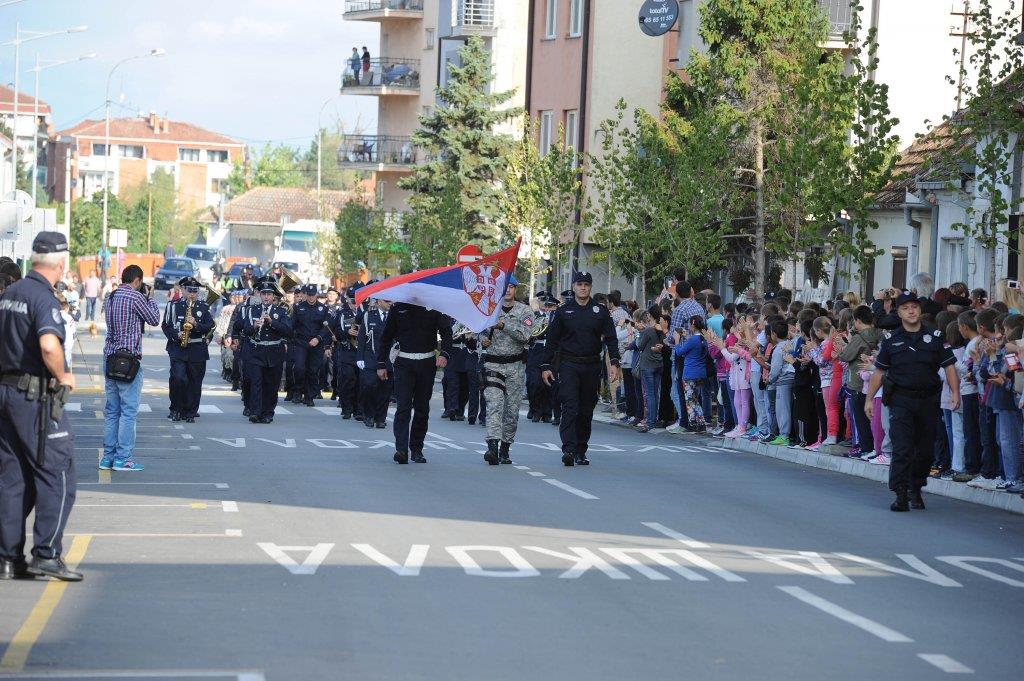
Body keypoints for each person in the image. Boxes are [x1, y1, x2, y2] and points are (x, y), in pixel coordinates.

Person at [0, 232, 81, 582]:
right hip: (34, 397)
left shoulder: (9, 294)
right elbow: (49, 345)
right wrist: (63, 375)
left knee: (12, 478)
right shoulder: (42, 298)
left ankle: (8, 558)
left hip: (5, 393)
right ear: (61, 262)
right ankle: (46, 554)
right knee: (58, 473)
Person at [866, 290, 959, 512]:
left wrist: (955, 392)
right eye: (906, 308)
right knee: (902, 447)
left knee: (925, 450)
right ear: (898, 312)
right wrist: (869, 398)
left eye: (914, 307)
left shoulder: (934, 337)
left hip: (928, 400)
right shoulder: (891, 340)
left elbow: (949, 367)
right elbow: (879, 372)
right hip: (900, 400)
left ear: (920, 311)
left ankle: (915, 487)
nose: (911, 311)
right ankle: (900, 493)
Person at [541, 271, 621, 466]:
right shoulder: (563, 311)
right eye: (579, 284)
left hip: (591, 365)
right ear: (574, 287)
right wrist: (546, 366)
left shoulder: (600, 312)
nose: (583, 287)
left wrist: (614, 363)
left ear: (590, 287)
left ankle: (580, 449)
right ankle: (568, 449)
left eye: (586, 284)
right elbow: (551, 341)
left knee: (586, 409)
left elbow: (611, 338)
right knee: (570, 406)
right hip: (569, 364)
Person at [101, 265, 161, 472]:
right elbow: (154, 319)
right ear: (137, 280)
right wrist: (150, 297)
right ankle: (123, 458)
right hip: (128, 360)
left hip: (109, 356)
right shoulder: (136, 297)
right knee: (128, 411)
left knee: (112, 411)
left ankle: (107, 457)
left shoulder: (110, 296)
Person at [377, 301, 452, 464]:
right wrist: (381, 364)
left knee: (422, 408)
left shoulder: (434, 307)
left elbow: (447, 332)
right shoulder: (398, 308)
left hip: (426, 362)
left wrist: (444, 354)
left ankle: (416, 449)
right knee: (403, 406)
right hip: (403, 362)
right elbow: (386, 336)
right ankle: (401, 449)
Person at [480, 275, 534, 465]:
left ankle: (505, 448)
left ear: (516, 290)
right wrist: (483, 339)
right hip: (493, 364)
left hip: (515, 366)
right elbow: (481, 330)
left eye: (511, 287)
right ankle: (492, 447)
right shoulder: (490, 310)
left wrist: (504, 325)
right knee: (494, 405)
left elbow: (525, 335)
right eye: (505, 287)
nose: (508, 290)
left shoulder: (525, 311)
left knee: (511, 411)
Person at [161, 276, 214, 423]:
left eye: (195, 291)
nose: (193, 294)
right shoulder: (173, 306)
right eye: (189, 290)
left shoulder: (203, 307)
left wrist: (196, 324)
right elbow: (166, 325)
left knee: (194, 382)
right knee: (178, 379)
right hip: (178, 348)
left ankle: (190, 412)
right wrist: (175, 335)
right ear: (182, 290)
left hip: (197, 348)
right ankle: (176, 409)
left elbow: (209, 325)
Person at [242, 281, 293, 423]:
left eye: (269, 294)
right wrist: (254, 326)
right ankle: (255, 412)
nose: (266, 297)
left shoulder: (281, 311)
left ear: (273, 296)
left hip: (274, 352)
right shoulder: (252, 310)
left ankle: (268, 412)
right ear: (259, 295)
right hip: (256, 351)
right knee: (256, 382)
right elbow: (245, 330)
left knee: (271, 384)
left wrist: (271, 322)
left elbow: (288, 331)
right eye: (263, 294)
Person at [290, 284, 332, 407]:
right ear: (305, 294)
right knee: (299, 368)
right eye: (308, 294)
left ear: (316, 295)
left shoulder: (323, 308)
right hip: (301, 342)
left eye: (313, 295)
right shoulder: (298, 307)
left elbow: (326, 327)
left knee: (313, 370)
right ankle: (298, 390)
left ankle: (309, 396)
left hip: (316, 343)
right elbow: (292, 325)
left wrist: (318, 338)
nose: (311, 297)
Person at [357, 297, 393, 428]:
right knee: (370, 387)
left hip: (389, 359)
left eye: (391, 301)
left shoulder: (395, 316)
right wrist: (360, 357)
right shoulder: (369, 316)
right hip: (371, 357)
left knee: (385, 390)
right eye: (387, 301)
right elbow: (362, 338)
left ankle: (381, 418)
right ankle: (369, 415)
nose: (390, 303)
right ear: (378, 302)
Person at [328, 287, 361, 416]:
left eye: (357, 300)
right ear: (347, 300)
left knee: (360, 382)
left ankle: (359, 410)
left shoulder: (366, 313)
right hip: (347, 351)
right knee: (348, 380)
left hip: (362, 352)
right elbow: (335, 332)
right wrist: (346, 333)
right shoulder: (341, 313)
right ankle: (347, 408)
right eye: (352, 301)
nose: (355, 304)